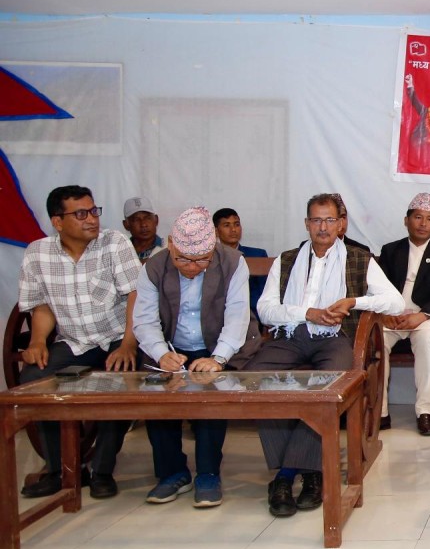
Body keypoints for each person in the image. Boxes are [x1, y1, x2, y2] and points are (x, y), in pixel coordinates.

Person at [248, 193, 405, 517]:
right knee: (255, 380)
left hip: (336, 338)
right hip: (290, 335)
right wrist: (307, 313)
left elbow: (395, 302)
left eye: (330, 220)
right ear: (307, 224)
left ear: (341, 224)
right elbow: (265, 309)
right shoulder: (287, 260)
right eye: (317, 220)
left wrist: (354, 302)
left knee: (327, 389)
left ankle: (289, 474)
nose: (323, 227)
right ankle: (307, 470)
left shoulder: (359, 259)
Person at [17, 185, 141, 499]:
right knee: (34, 380)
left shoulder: (114, 243)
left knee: (121, 382)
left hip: (116, 338)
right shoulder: (38, 253)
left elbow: (136, 295)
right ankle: (62, 470)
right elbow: (41, 306)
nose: (92, 219)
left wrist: (128, 343)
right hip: (74, 342)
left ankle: (102, 471)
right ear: (58, 222)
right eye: (81, 214)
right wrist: (37, 340)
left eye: (94, 211)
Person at [132, 207, 261, 508]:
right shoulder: (153, 267)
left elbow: (237, 317)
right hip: (170, 346)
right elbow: (144, 320)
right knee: (158, 398)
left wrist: (218, 358)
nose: (192, 267)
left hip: (218, 345)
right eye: (183, 260)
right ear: (171, 245)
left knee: (211, 397)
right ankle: (172, 473)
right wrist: (161, 354)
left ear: (213, 248)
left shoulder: (233, 262)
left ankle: (208, 473)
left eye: (201, 260)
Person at [377, 192, 430, 437]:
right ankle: (381, 412)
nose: (423, 224)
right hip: (393, 317)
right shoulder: (391, 250)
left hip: (427, 318)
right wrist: (386, 314)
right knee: (377, 340)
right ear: (406, 220)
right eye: (418, 217)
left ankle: (424, 412)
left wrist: (422, 315)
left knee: (425, 340)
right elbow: (378, 288)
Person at [212, 207, 268, 319]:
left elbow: (264, 293)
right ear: (216, 231)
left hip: (251, 315)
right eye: (227, 225)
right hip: (217, 316)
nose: (233, 229)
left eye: (237, 224)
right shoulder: (209, 257)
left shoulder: (257, 255)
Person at [122, 195, 166, 261]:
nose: (143, 224)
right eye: (136, 219)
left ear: (156, 220)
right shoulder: (120, 252)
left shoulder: (169, 249)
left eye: (148, 218)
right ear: (126, 225)